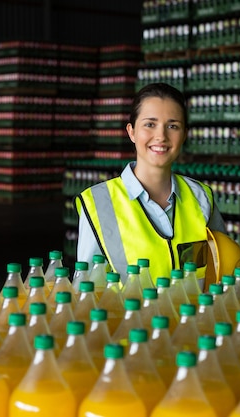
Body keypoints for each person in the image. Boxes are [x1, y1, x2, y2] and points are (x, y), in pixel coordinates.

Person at [75, 82, 228, 286]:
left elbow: (223, 269)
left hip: (194, 318)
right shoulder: (99, 204)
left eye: (172, 126)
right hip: (128, 318)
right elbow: (86, 293)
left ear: (184, 135)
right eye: (150, 124)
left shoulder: (201, 197)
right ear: (131, 132)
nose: (161, 136)